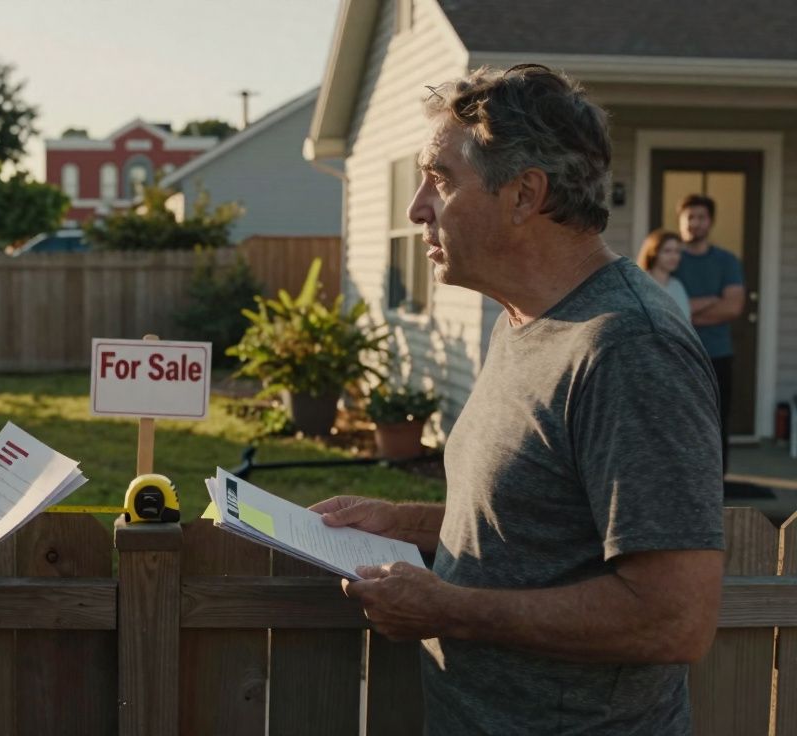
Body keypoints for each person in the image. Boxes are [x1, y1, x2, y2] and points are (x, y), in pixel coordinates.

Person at [312, 65, 723, 734]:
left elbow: (671, 617)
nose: (417, 207)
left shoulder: (626, 348)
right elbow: (536, 523)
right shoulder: (525, 321)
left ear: (524, 195)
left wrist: (447, 610)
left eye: (441, 180)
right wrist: (403, 523)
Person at [674, 193, 745, 471]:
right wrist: (710, 300)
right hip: (676, 352)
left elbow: (733, 308)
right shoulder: (669, 257)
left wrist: (685, 311)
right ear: (681, 222)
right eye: (689, 217)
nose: (695, 223)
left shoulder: (726, 261)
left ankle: (717, 483)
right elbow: (662, 306)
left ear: (710, 222)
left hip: (717, 354)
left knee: (715, 422)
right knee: (676, 420)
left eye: (701, 217)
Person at [637, 229, 692, 319]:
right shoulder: (640, 284)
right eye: (667, 251)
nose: (673, 256)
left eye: (677, 251)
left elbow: (686, 321)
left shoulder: (677, 286)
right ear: (653, 253)